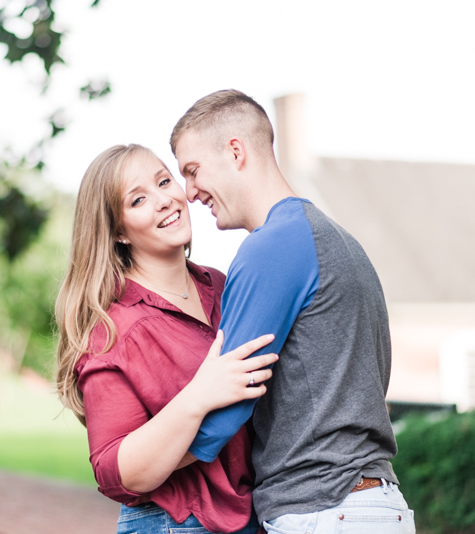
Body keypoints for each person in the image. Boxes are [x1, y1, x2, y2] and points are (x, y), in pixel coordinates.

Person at [170, 90, 416, 534]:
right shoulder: (339, 241)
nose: (188, 193)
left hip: (325, 509)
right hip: (372, 504)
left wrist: (142, 465)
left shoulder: (272, 247)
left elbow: (226, 406)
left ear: (235, 151)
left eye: (192, 171)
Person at [54, 144, 278, 534]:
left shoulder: (224, 286)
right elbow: (116, 472)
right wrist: (200, 395)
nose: (164, 200)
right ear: (118, 231)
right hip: (177, 523)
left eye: (164, 181)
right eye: (138, 199)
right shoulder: (113, 328)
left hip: (256, 516)